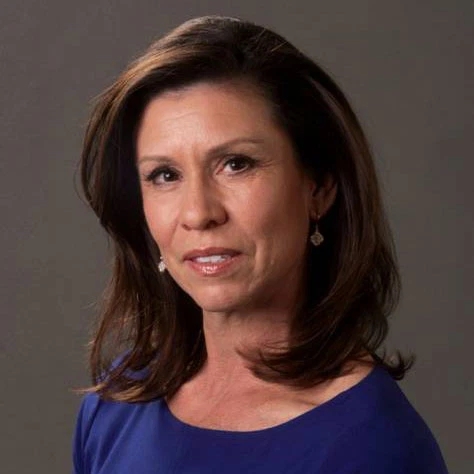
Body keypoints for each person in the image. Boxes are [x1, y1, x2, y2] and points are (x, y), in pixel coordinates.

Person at [73, 15, 448, 473]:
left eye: (236, 164)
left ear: (319, 188)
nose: (198, 213)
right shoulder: (114, 406)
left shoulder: (375, 446)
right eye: (164, 175)